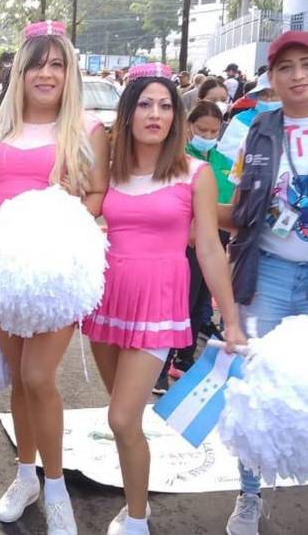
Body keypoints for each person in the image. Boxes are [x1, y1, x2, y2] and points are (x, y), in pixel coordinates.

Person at [82, 64, 246, 535]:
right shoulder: (107, 171)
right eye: (146, 104)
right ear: (129, 112)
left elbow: (210, 248)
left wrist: (229, 320)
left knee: (121, 415)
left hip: (157, 304)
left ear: (177, 115)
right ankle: (137, 498)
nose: (156, 114)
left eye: (166, 105)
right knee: (121, 416)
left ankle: (136, 517)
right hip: (106, 300)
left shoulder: (195, 174)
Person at [0, 20, 109, 535]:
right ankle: (25, 475)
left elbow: (98, 195)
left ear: (69, 71)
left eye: (57, 64)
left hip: (57, 271)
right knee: (19, 380)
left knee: (38, 377)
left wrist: (70, 219)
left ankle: (56, 489)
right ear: (22, 71)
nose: (47, 73)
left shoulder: (87, 130)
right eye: (37, 63)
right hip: (4, 269)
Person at [219, 30, 308, 535]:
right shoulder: (252, 129)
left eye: (306, 64)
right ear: (271, 77)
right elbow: (236, 209)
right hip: (268, 270)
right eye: (286, 67)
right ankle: (248, 497)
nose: (298, 75)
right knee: (255, 382)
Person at [153, 100, 234, 393]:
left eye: (214, 131)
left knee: (200, 302)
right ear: (189, 126)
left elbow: (230, 204)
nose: (208, 135)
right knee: (181, 303)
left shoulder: (224, 162)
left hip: (215, 237)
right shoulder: (177, 159)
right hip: (184, 241)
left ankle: (185, 360)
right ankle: (160, 368)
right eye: (203, 129)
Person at [217, 72, 281, 164]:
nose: (268, 99)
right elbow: (226, 157)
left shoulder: (294, 119)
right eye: (264, 94)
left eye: (274, 94)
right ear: (257, 96)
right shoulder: (241, 119)